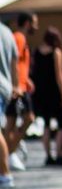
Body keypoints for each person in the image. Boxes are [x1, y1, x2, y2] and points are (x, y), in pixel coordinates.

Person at [4, 12, 37, 171]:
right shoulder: (18, 37)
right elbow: (13, 61)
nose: (36, 26)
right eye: (34, 23)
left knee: (11, 123)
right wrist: (17, 84)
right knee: (26, 118)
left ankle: (9, 152)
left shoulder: (19, 37)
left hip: (21, 85)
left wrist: (26, 79)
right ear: (27, 23)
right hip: (18, 88)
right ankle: (8, 153)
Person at [31, 27, 62, 165]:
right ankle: (58, 153)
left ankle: (48, 155)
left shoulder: (36, 51)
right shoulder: (56, 52)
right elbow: (59, 76)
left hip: (41, 93)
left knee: (46, 124)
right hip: (54, 92)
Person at [0, 22, 19, 188]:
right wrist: (16, 85)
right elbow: (15, 62)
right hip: (5, 86)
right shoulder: (7, 32)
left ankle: (5, 174)